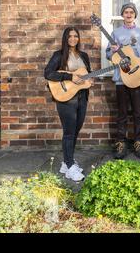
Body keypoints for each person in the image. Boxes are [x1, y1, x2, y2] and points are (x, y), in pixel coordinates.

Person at [106, 2, 140, 160]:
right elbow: (109, 55)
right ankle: (120, 143)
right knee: (121, 114)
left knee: (137, 114)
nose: (128, 14)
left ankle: (138, 143)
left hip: (138, 79)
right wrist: (112, 51)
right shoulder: (115, 33)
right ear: (122, 15)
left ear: (135, 15)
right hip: (122, 79)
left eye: (131, 12)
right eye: (126, 12)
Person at [44, 26, 92, 182]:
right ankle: (71, 166)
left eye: (76, 36)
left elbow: (86, 75)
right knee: (69, 133)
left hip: (81, 98)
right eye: (70, 36)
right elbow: (48, 73)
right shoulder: (59, 55)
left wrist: (89, 81)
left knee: (75, 131)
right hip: (66, 98)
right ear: (65, 38)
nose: (73, 39)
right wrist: (70, 78)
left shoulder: (84, 56)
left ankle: (66, 162)